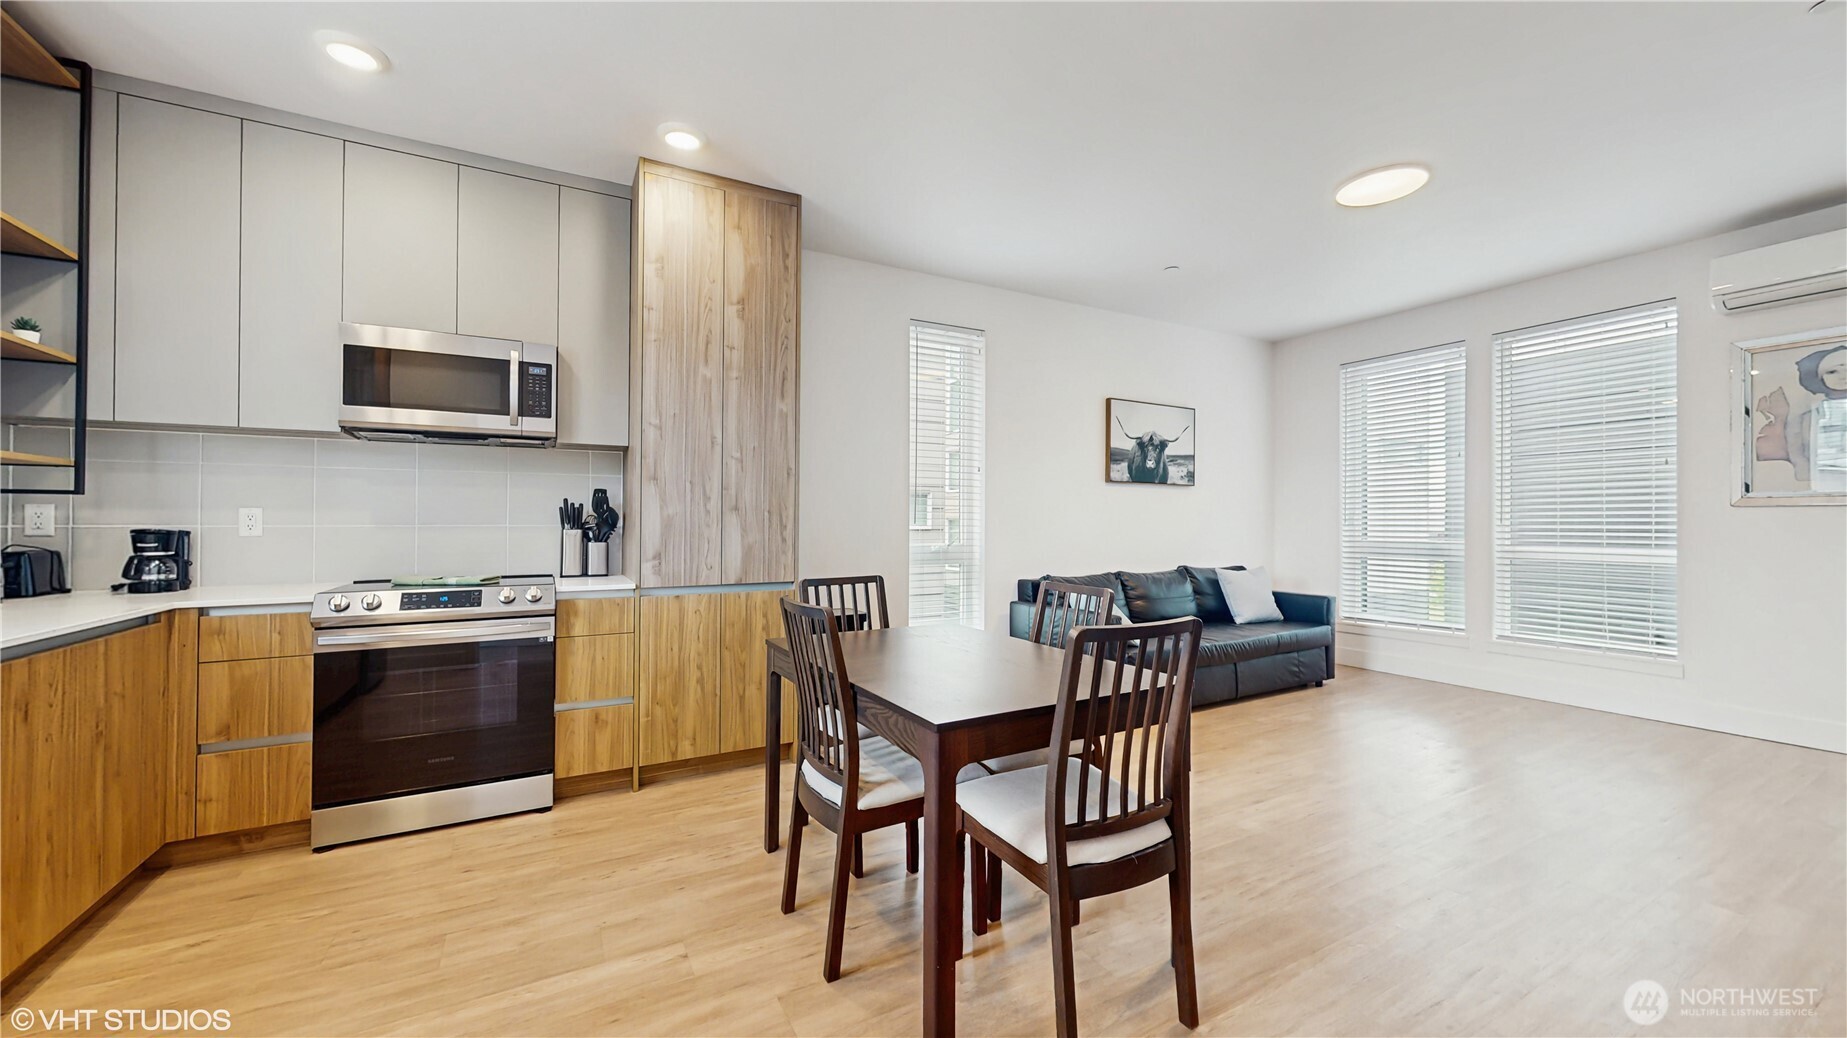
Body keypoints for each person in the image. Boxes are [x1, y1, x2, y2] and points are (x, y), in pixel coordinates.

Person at [1756, 344, 1847, 490]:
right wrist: (1803, 472)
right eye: (1832, 371)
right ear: (1820, 377)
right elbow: (1795, 446)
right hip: (1825, 478)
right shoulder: (1807, 414)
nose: (1843, 376)